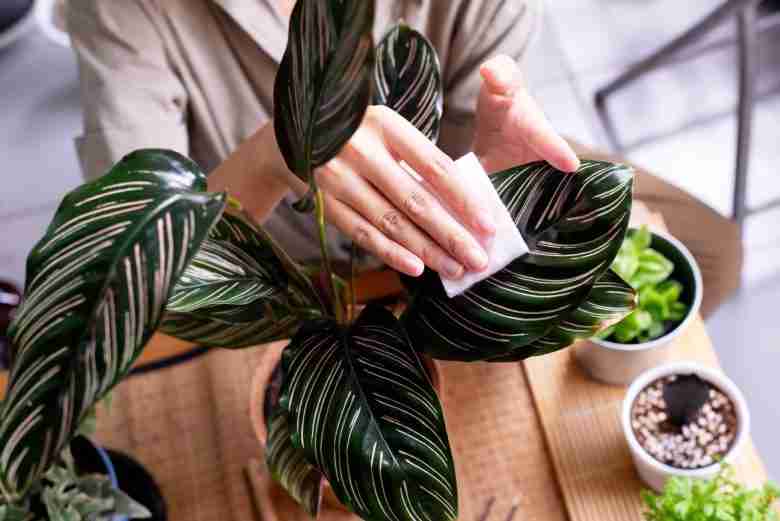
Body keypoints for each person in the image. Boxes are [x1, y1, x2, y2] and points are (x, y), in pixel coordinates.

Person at [66, 0, 741, 317]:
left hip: (438, 219)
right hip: (272, 256)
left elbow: (489, 120)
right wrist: (280, 151)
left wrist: (500, 178)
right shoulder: (124, 11)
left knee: (713, 254)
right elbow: (124, 268)